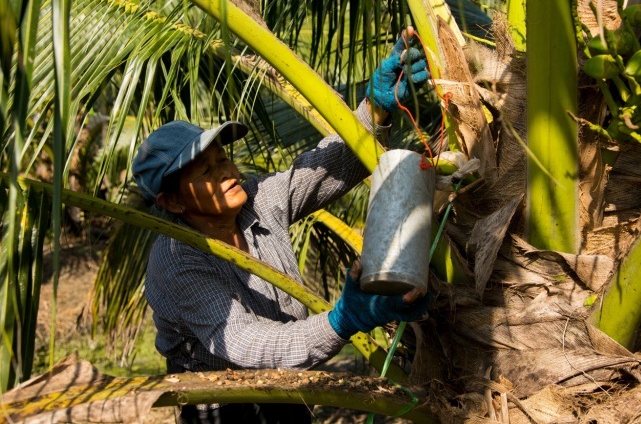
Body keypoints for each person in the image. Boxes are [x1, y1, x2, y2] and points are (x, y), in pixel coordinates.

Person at [131, 27, 432, 424]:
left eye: (223, 159)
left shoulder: (258, 198)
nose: (226, 172)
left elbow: (329, 167)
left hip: (289, 389)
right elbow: (246, 343)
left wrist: (376, 109)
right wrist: (343, 321)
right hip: (222, 407)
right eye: (206, 171)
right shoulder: (175, 261)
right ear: (171, 201)